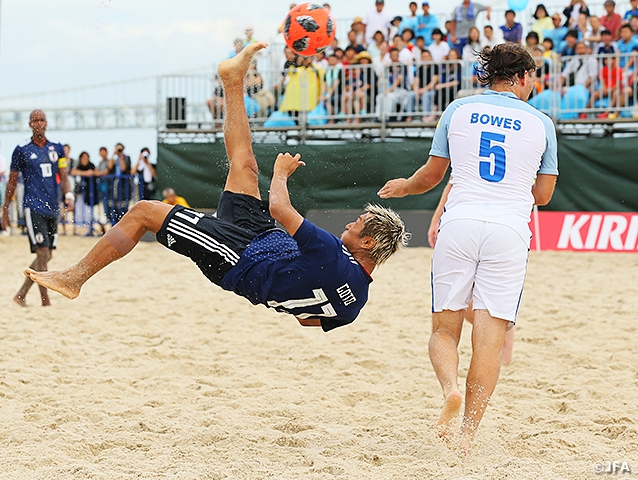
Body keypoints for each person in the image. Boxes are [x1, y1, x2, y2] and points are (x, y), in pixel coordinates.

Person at [26, 43, 409, 333]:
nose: (351, 224)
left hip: (238, 258)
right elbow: (307, 322)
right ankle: (234, 80)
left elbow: (280, 207)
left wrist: (282, 172)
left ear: (369, 242)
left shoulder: (330, 251)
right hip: (262, 239)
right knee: (244, 163)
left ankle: (75, 277)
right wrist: (283, 290)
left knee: (144, 211)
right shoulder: (356, 302)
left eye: (358, 224)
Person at [378, 42, 558, 455]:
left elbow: (430, 176)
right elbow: (544, 195)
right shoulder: (542, 123)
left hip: (459, 223)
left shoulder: (458, 110)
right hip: (509, 230)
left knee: (444, 329)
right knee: (490, 342)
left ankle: (449, 391)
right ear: (524, 78)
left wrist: (404, 186)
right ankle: (468, 437)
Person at [427, 183, 515, 366]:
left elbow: (445, 181)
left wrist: (437, 219)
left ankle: (504, 357)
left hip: (479, 225)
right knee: (484, 301)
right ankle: (502, 355)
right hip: (496, 227)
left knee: (480, 301)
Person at [2, 110, 74, 306]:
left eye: (42, 120)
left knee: (48, 254)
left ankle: (21, 295)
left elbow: (64, 175)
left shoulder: (57, 147)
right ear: (30, 124)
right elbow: (12, 181)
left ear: (47, 123)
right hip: (33, 206)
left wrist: (69, 195)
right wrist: (5, 210)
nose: (39, 123)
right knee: (42, 254)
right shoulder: (21, 149)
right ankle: (45, 300)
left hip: (53, 206)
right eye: (35, 120)